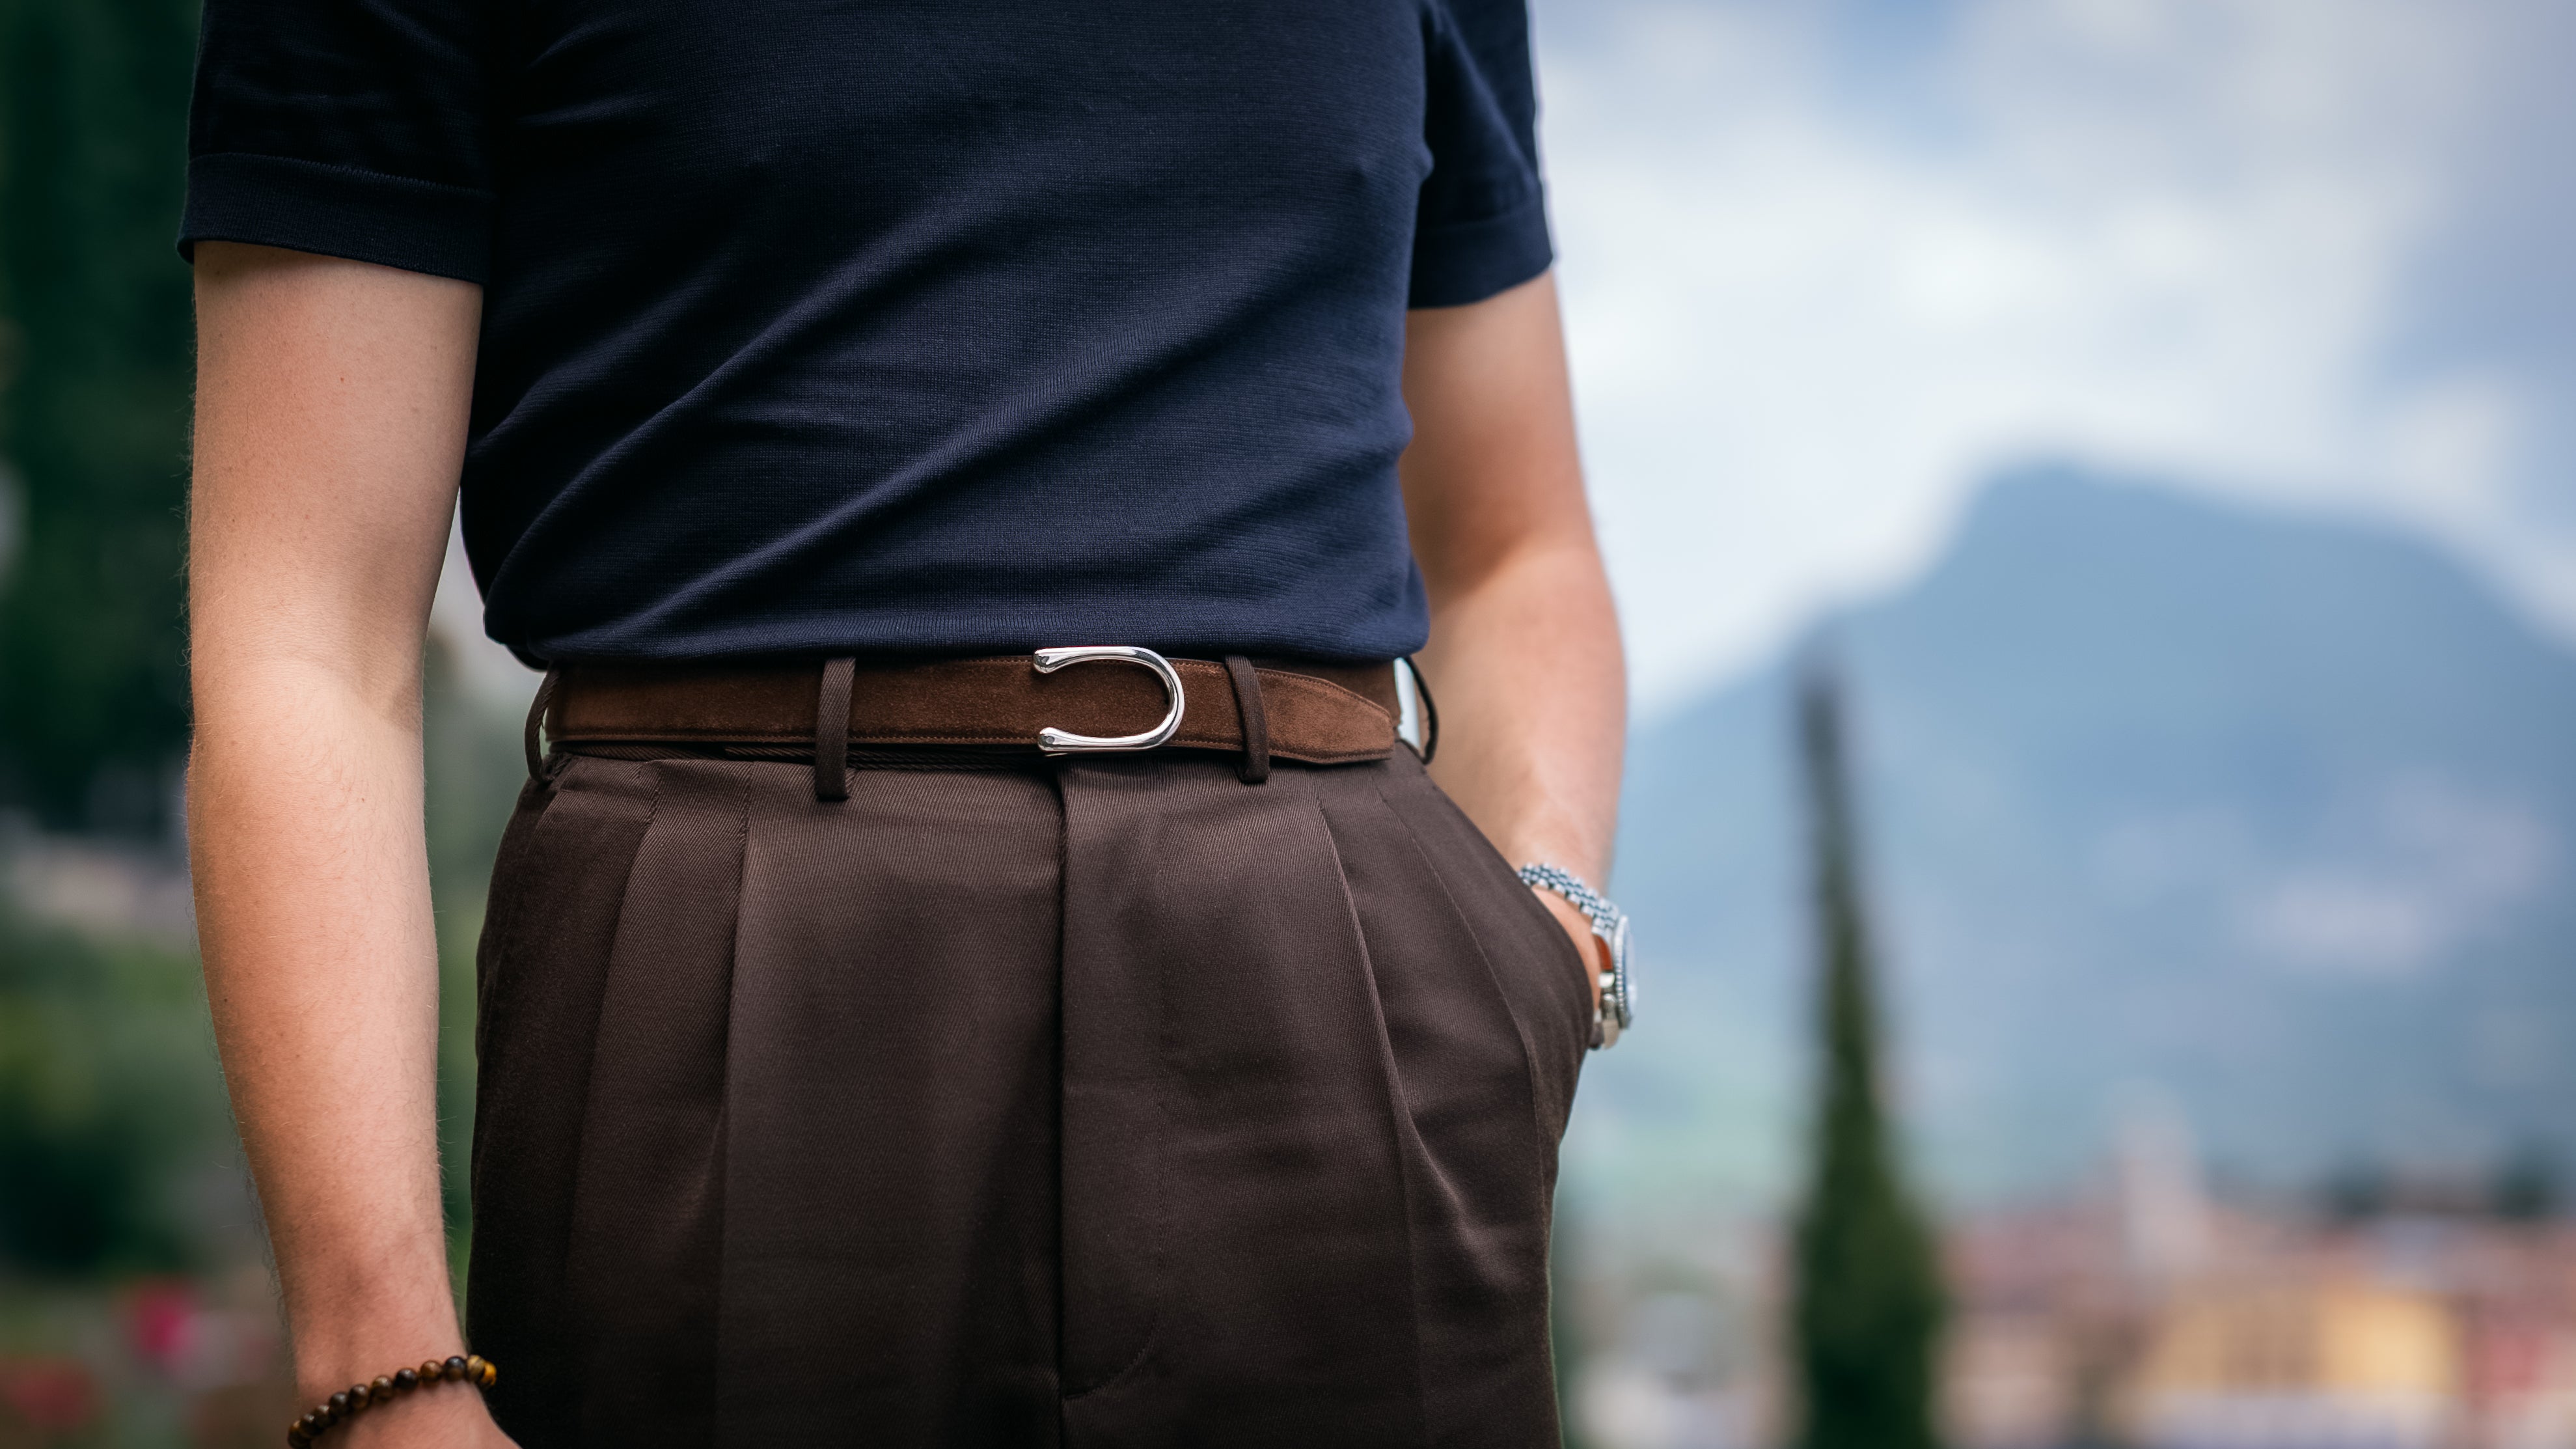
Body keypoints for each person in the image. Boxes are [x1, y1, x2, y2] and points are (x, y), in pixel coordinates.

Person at [181, 0, 1629, 1442]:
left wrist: (1541, 950)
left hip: (1337, 965)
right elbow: (307, 634)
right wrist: (382, 1371)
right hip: (722, 975)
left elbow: (1515, 549)